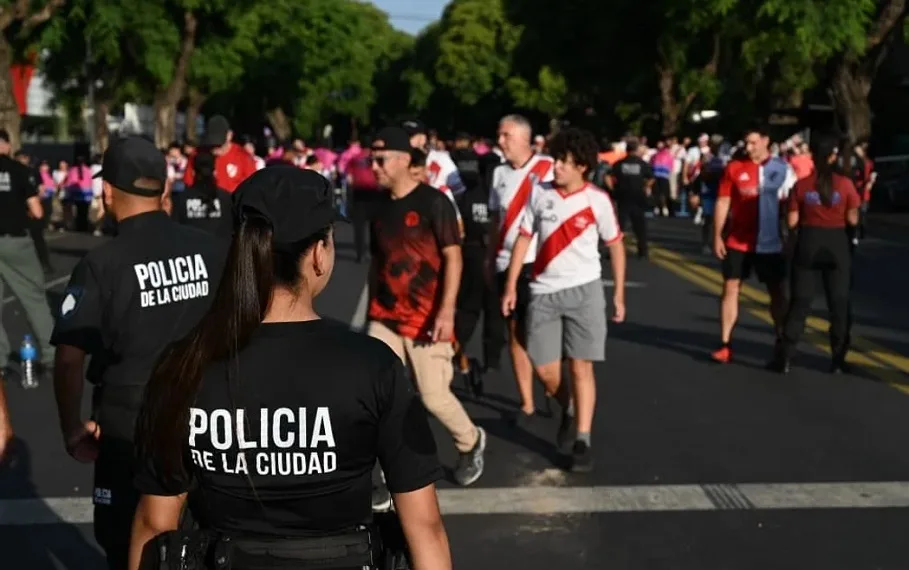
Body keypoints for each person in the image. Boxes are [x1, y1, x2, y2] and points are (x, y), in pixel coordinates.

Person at [128, 166, 451, 570]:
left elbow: (155, 523)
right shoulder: (372, 365)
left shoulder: (183, 364)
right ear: (318, 255)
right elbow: (424, 526)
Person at [50, 136, 225, 570]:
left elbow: (70, 358)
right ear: (164, 190)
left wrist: (72, 427)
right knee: (206, 540)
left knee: (129, 542)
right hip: (207, 417)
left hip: (131, 426)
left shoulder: (102, 264)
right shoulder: (210, 249)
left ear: (107, 192)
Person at [367, 126, 486, 503]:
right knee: (374, 394)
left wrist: (447, 312)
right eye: (372, 158)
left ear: (404, 160)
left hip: (426, 316)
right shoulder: (378, 207)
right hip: (384, 315)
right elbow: (377, 261)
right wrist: (372, 306)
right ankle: (383, 475)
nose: (375, 166)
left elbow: (453, 255)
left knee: (433, 396)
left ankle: (470, 441)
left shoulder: (435, 203)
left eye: (381, 159)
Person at [501, 127, 627, 472]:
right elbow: (524, 240)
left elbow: (615, 245)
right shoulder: (539, 194)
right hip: (542, 289)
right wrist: (512, 286)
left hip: (584, 291)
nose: (556, 166)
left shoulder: (597, 200)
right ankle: (569, 406)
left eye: (564, 162)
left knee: (580, 365)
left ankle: (582, 438)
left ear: (582, 167)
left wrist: (617, 292)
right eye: (556, 159)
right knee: (545, 368)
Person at [772, 135, 860, 374]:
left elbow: (792, 221)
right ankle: (838, 357)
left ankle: (786, 353)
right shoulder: (845, 185)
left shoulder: (802, 185)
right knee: (839, 302)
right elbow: (853, 218)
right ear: (833, 157)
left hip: (808, 241)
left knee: (800, 302)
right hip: (837, 242)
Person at [486, 115, 554, 424]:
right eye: (499, 135)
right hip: (504, 262)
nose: (500, 141)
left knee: (541, 336)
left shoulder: (548, 168)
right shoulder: (498, 173)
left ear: (525, 139)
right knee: (515, 334)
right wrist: (490, 259)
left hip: (538, 265)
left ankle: (555, 389)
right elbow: (493, 220)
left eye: (506, 136)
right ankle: (527, 402)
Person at [712, 125, 796, 365]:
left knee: (777, 293)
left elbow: (792, 205)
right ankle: (725, 343)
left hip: (771, 244)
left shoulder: (782, 169)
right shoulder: (735, 168)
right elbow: (723, 201)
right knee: (730, 288)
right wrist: (717, 234)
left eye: (753, 143)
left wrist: (791, 237)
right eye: (746, 143)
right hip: (738, 241)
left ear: (766, 141)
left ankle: (781, 341)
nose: (748, 148)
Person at [0, 129, 56, 382]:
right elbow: (37, 211)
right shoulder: (19, 170)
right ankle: (50, 354)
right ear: (6, 143)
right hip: (16, 241)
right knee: (33, 298)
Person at [450, 132, 505, 386]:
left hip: (477, 254)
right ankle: (488, 360)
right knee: (487, 311)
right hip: (485, 255)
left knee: (473, 310)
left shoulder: (469, 194)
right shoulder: (496, 196)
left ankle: (462, 352)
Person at [171, 148, 233, 241]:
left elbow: (175, 231)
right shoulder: (226, 198)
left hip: (192, 252)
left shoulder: (180, 199)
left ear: (193, 172)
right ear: (214, 171)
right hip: (221, 253)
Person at [183, 115, 257, 193]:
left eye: (219, 144)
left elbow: (252, 188)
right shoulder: (197, 155)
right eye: (211, 143)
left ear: (229, 135)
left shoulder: (243, 156)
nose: (215, 148)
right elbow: (188, 184)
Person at [609, 138, 654, 259]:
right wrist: (646, 187)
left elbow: (608, 176)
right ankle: (643, 251)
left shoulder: (620, 163)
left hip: (623, 196)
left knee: (620, 225)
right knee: (640, 225)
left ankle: (614, 250)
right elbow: (651, 177)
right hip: (638, 196)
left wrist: (613, 189)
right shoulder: (641, 163)